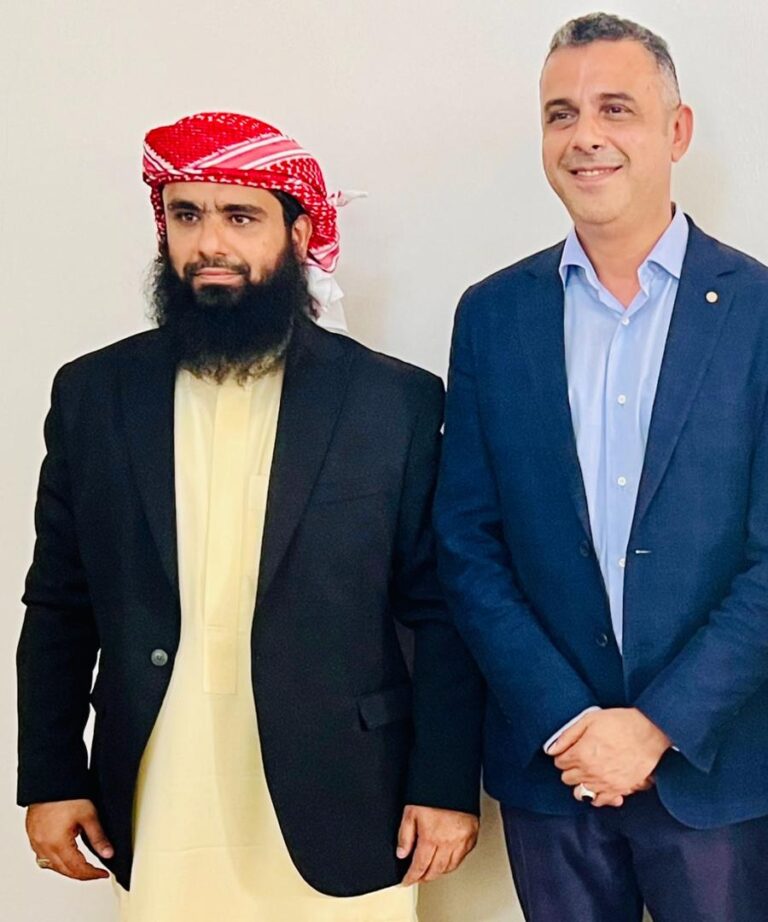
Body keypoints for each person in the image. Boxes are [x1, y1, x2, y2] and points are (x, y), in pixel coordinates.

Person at [17, 111, 484, 922]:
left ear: (298, 234)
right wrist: (51, 775)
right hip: (160, 788)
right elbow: (60, 601)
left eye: (241, 217)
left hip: (346, 795)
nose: (211, 244)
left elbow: (438, 610)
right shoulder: (95, 395)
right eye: (187, 215)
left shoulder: (393, 401)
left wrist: (445, 785)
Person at [434, 13, 768, 922]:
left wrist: (658, 726)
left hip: (717, 767)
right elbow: (467, 542)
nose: (585, 136)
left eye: (616, 108)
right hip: (553, 767)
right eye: (561, 114)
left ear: (677, 130)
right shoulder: (492, 315)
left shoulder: (757, 313)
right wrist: (569, 719)